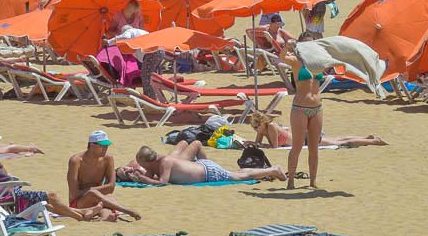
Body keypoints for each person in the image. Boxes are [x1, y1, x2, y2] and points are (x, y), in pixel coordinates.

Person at [0, 131, 100, 221]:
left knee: (44, 203)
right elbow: (6, 177)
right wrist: (15, 180)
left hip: (1, 193)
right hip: (8, 195)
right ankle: (79, 217)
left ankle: (80, 213)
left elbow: (3, 173)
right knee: (50, 196)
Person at [279, 32, 322, 189]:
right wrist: (287, 45)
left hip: (317, 108)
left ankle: (313, 180)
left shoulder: (318, 62)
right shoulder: (296, 62)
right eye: (305, 44)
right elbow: (282, 57)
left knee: (314, 147)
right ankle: (291, 181)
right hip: (300, 108)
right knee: (297, 146)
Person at [67, 131, 141, 221]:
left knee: (106, 202)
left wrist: (94, 191)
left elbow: (111, 187)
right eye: (102, 145)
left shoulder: (108, 158)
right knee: (96, 195)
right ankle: (128, 211)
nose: (105, 148)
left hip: (99, 200)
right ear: (92, 145)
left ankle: (102, 216)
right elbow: (74, 193)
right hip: (79, 202)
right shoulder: (76, 161)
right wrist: (92, 191)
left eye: (107, 145)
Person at [134, 145, 286, 185]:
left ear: (148, 161)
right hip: (203, 167)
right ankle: (269, 170)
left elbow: (162, 183)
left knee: (241, 176)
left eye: (141, 163)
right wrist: (137, 176)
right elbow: (148, 175)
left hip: (208, 172)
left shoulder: (165, 161)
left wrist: (144, 179)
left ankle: (273, 170)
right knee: (237, 172)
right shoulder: (154, 163)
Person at [250, 112, 387, 149]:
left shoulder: (272, 127)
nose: (256, 129)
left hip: (305, 140)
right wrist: (252, 144)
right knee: (338, 138)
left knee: (340, 143)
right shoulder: (262, 131)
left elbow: (274, 146)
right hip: (303, 138)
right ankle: (367, 138)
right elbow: (258, 143)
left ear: (263, 123)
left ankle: (374, 141)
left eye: (257, 126)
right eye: (254, 128)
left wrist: (260, 145)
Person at [115, 140, 207, 182]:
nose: (126, 169)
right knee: (196, 144)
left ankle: (202, 165)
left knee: (183, 143)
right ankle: (205, 165)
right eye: (124, 172)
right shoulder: (138, 170)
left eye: (123, 169)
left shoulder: (134, 163)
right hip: (171, 164)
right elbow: (154, 178)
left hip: (166, 161)